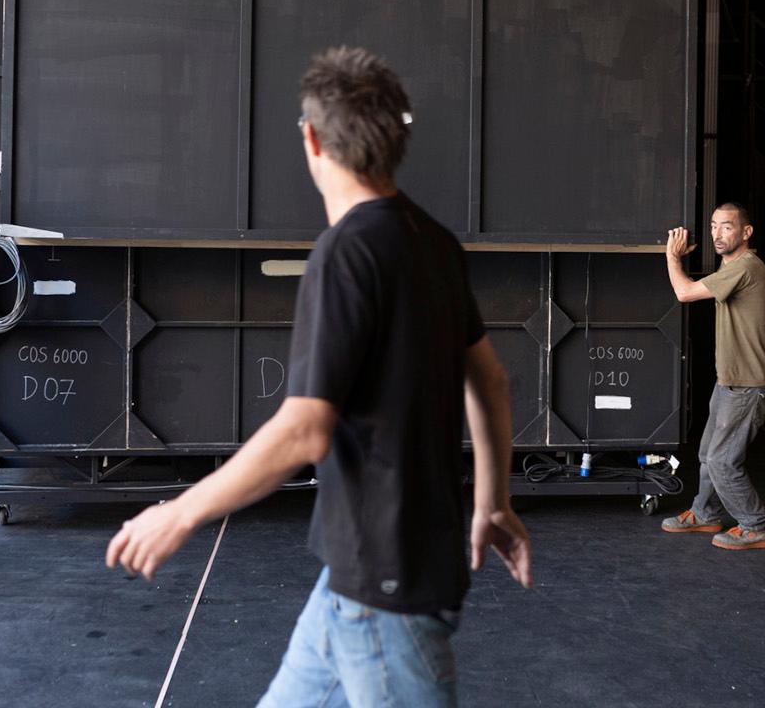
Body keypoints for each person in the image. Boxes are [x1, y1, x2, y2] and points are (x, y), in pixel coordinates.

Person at [106, 47, 532, 707]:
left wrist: (182, 512)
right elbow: (492, 383)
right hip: (357, 581)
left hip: (383, 595)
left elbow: (306, 429)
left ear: (311, 139)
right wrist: (493, 502)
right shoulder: (435, 242)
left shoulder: (344, 254)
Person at [660, 202, 765, 551]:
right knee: (708, 454)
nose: (717, 234)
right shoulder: (732, 268)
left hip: (748, 385)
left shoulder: (746, 267)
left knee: (723, 461)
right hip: (729, 381)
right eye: (713, 226)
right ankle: (705, 513)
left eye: (727, 226)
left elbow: (684, 293)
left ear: (746, 232)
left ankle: (756, 526)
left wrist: (672, 256)